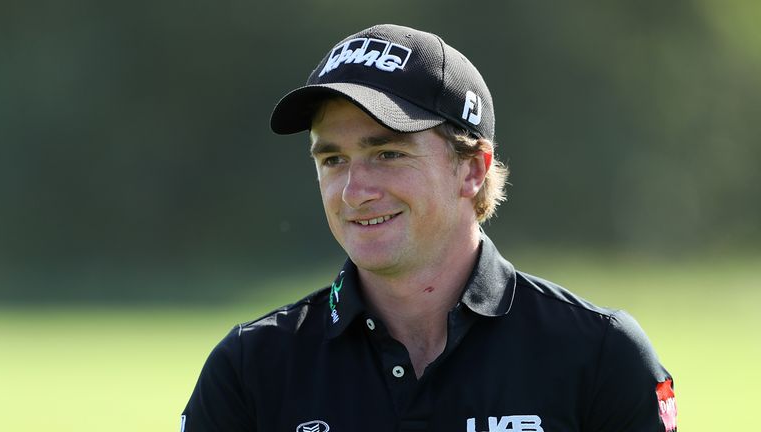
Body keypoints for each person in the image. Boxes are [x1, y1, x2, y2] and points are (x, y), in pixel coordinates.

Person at [181, 24, 677, 432]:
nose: (354, 191)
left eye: (388, 153)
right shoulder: (251, 368)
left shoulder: (599, 354)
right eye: (333, 159)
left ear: (472, 169)